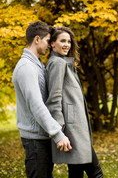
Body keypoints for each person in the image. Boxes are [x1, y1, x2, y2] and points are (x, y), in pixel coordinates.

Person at [12, 22, 72, 178]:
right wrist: (58, 134)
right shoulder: (26, 67)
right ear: (37, 39)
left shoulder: (37, 64)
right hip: (34, 141)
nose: (49, 45)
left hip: (42, 138)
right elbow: (36, 105)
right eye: (47, 40)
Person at [46, 26, 103, 178]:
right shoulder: (57, 63)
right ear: (52, 43)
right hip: (72, 131)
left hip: (75, 128)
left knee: (76, 173)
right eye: (62, 41)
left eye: (69, 41)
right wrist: (59, 131)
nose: (66, 44)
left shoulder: (64, 62)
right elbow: (54, 99)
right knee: (96, 173)